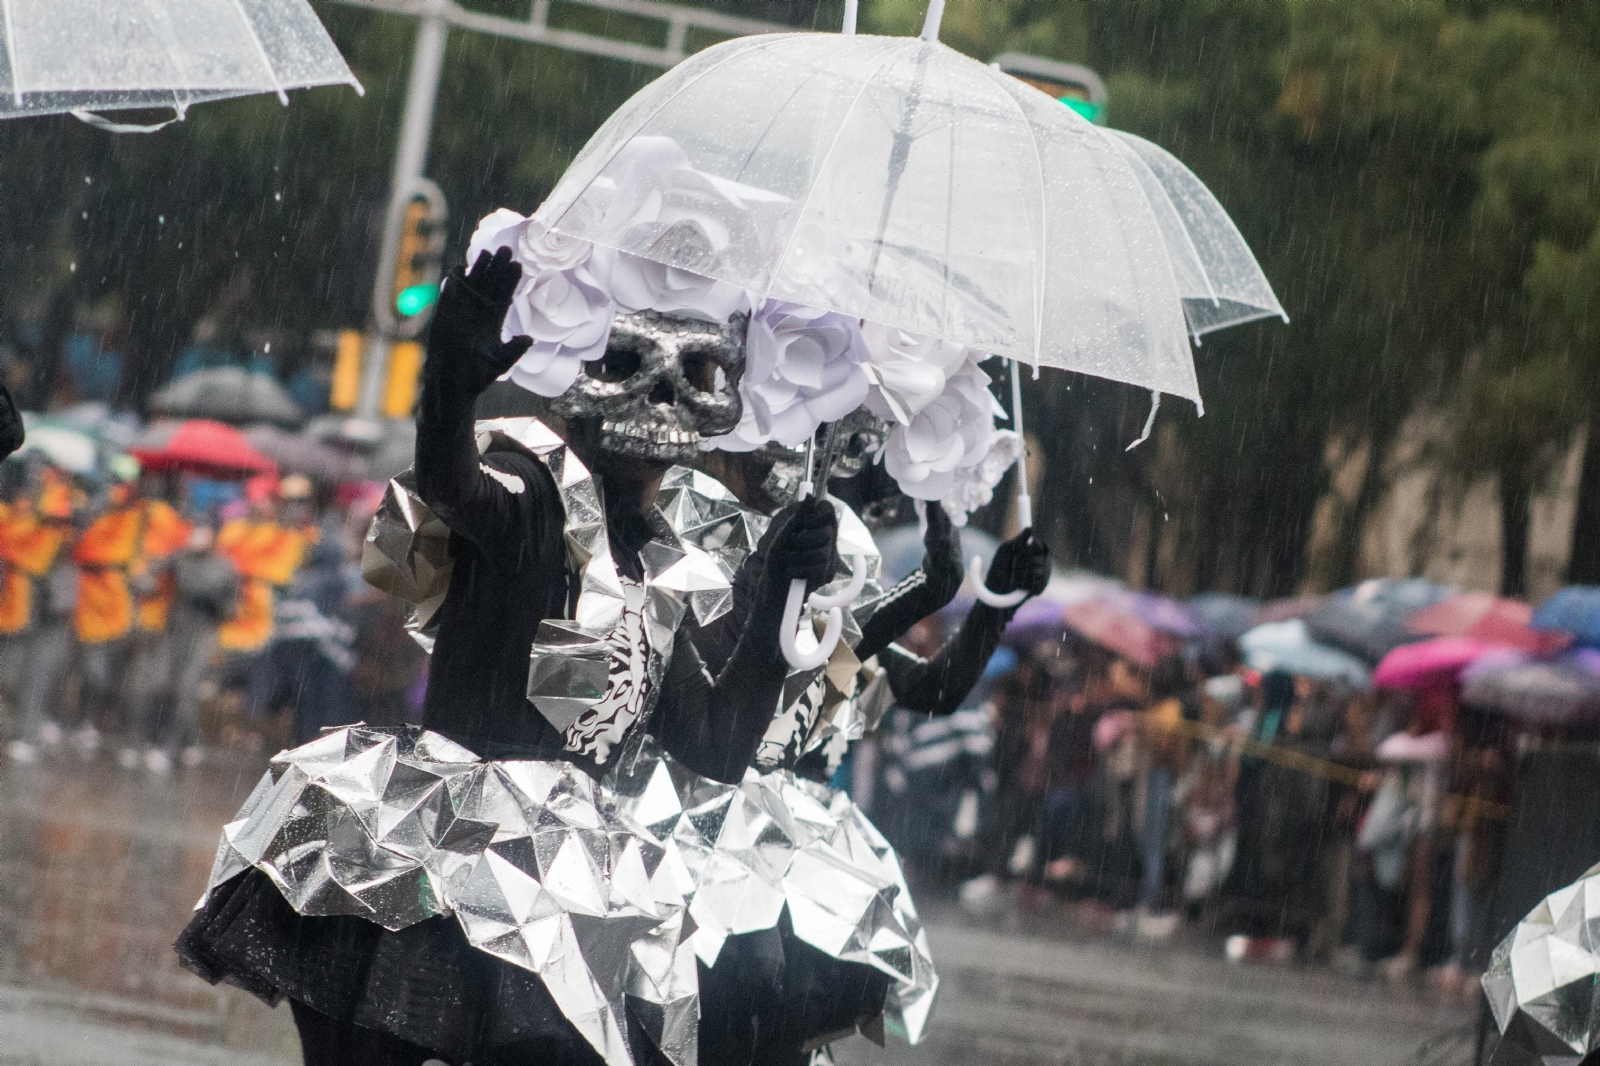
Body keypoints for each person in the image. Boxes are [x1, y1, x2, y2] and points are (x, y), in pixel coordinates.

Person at [179, 247, 833, 1066]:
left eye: (690, 376)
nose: (658, 402)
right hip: (446, 851)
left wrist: (776, 593)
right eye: (626, 366)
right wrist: (449, 388)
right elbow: (452, 485)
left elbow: (714, 746)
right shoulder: (532, 497)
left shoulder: (665, 571)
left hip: (577, 873)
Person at [120, 520, 238, 772]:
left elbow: (230, 608)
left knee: (185, 689)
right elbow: (150, 573)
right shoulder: (181, 559)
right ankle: (179, 741)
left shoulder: (224, 568)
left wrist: (213, 599)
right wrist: (141, 580)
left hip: (202, 634)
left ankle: (169, 746)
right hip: (175, 631)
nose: (197, 539)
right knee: (160, 685)